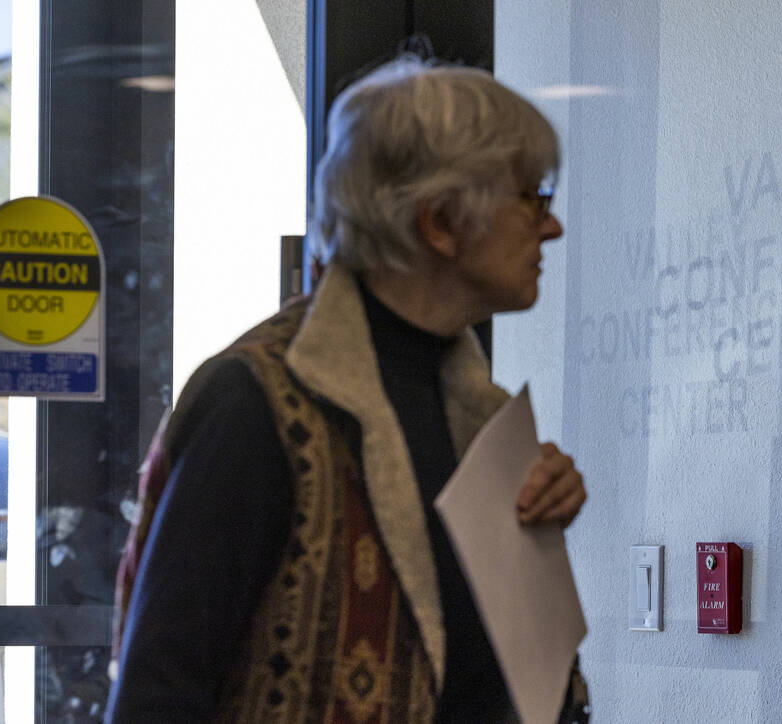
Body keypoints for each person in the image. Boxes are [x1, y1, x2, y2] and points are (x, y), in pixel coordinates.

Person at [105, 57, 589, 723]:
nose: (552, 227)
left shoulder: (485, 422)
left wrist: (538, 546)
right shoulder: (258, 403)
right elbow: (157, 699)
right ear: (441, 222)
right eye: (532, 197)